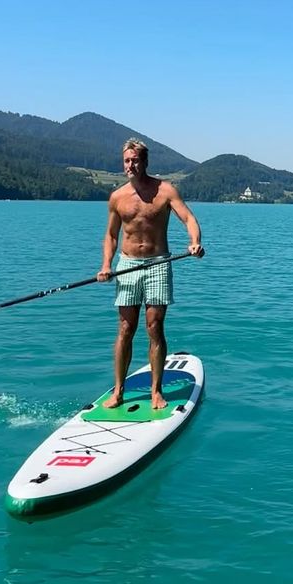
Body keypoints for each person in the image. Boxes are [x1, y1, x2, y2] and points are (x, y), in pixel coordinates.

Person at [97, 138, 204, 410]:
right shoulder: (117, 197)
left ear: (145, 162)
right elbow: (110, 236)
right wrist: (106, 265)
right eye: (126, 161)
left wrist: (194, 242)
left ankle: (156, 391)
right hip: (127, 264)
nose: (130, 165)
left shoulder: (165, 191)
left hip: (158, 264)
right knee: (125, 328)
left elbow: (189, 219)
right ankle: (118, 390)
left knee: (154, 327)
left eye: (135, 160)